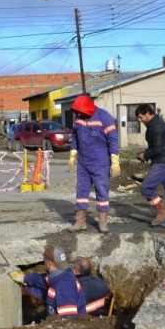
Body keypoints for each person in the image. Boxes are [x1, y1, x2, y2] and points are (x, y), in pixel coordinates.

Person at [67, 95, 120, 234]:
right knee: (81, 191)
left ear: (88, 108)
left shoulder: (104, 117)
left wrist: (114, 159)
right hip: (83, 162)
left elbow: (113, 139)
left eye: (80, 112)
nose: (78, 115)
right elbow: (75, 137)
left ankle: (102, 223)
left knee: (102, 191)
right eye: (77, 112)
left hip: (100, 161)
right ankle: (80, 222)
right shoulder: (78, 118)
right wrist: (73, 153)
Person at [9, 245, 86, 318]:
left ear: (48, 263)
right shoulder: (62, 275)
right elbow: (41, 281)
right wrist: (24, 280)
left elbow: (68, 319)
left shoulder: (64, 285)